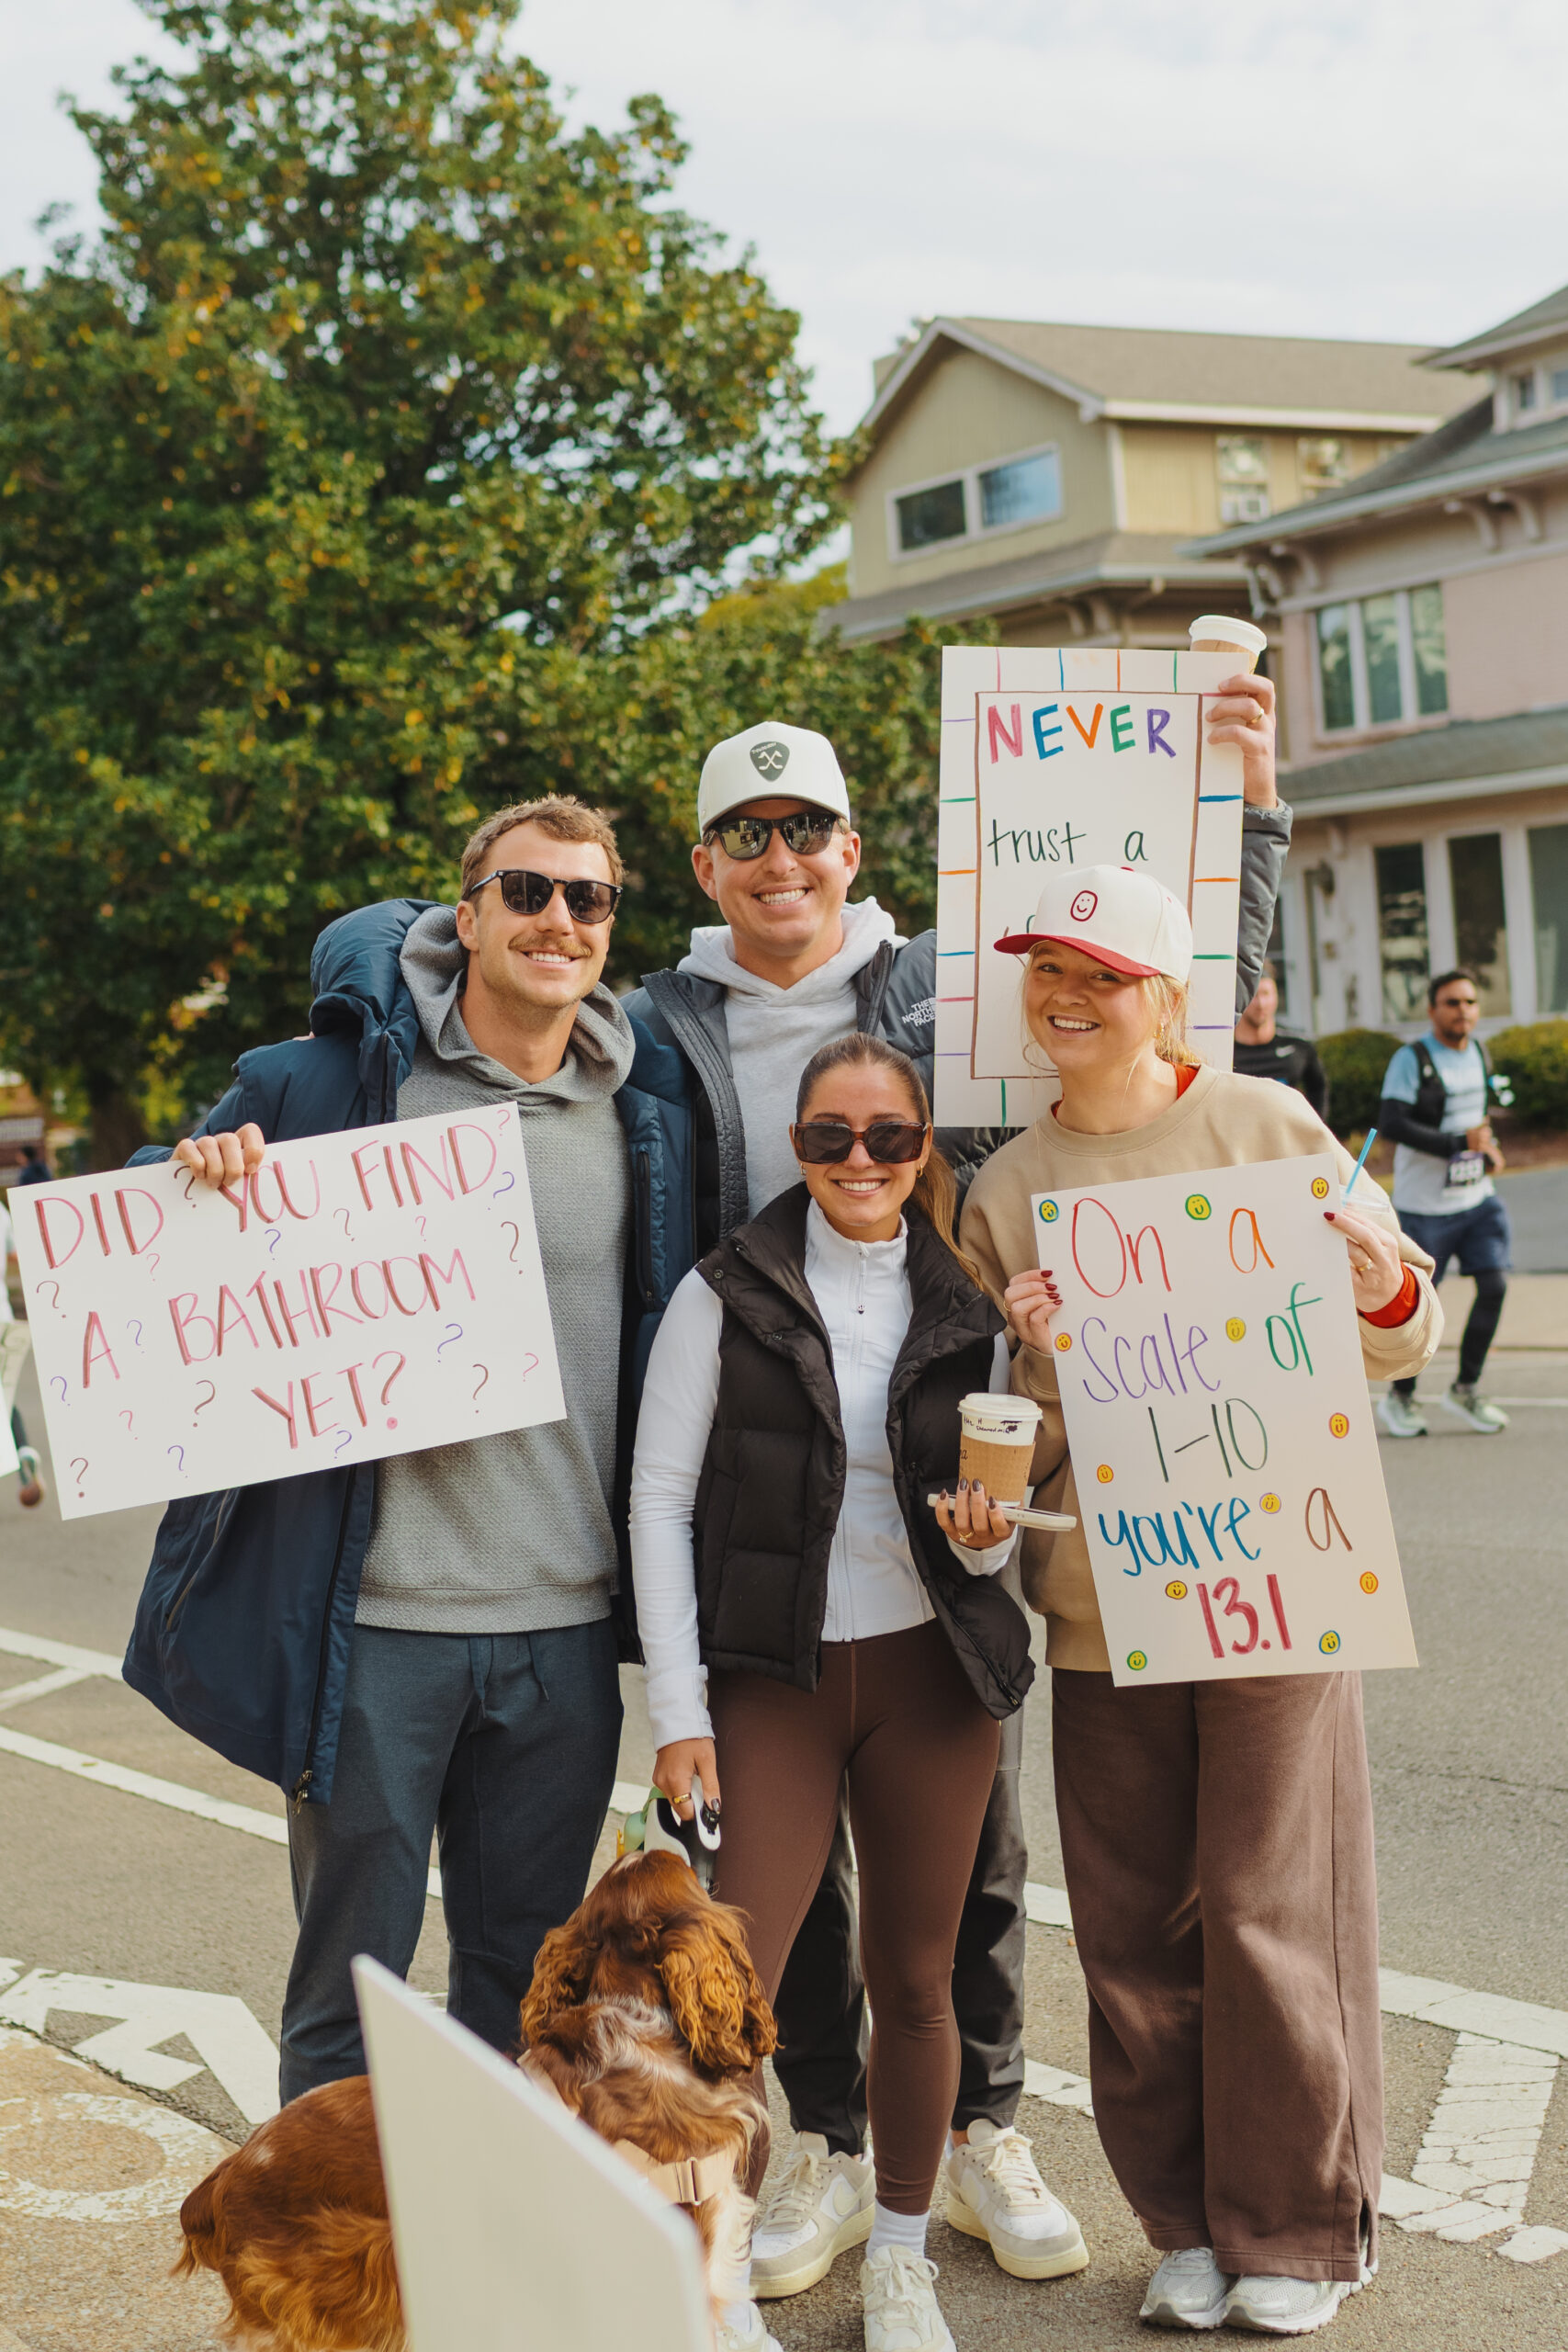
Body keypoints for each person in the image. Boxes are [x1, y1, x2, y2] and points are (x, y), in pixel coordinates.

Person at [625, 691, 1293, 2293]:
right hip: (759, 1473)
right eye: (744, 834)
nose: (778, 856)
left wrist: (1250, 809)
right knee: (782, 1895)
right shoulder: (650, 1023)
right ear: (705, 863)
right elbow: (477, 1009)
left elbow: (1167, 979)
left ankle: (977, 2126)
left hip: (944, 1421)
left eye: (804, 829)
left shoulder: (943, 985)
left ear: (850, 847)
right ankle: (831, 2144)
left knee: (963, 1863)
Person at [124, 797, 694, 2108]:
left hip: (560, 1630)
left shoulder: (644, 1113)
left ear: (610, 925)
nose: (558, 919)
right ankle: (329, 2238)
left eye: (588, 899)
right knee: (348, 1998)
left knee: (525, 2001)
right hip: (375, 1626)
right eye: (527, 891)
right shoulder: (327, 1082)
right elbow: (148, 1224)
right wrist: (197, 1165)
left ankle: (483, 2235)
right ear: (468, 915)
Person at [958, 863, 1441, 2336]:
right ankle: (1183, 2223)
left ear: (1164, 996)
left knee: (1266, 1905)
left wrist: (1376, 1280)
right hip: (1099, 1605)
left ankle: (1297, 2225)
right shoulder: (1006, 1189)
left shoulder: (1263, 1125)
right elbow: (1004, 1442)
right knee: (1128, 1927)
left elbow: (1399, 1333)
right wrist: (1029, 1360)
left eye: (1100, 974)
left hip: (1271, 1579)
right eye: (1047, 969)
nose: (1066, 996)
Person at [631, 1033, 1039, 2352]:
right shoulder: (724, 1293)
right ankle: (714, 2272)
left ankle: (901, 2262)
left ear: (921, 1149)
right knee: (729, 1993)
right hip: (775, 1681)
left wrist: (984, 1537)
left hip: (931, 1678)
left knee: (916, 1980)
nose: (859, 1160)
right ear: (797, 1147)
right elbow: (657, 1503)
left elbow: (991, 1537)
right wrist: (679, 1713)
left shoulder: (970, 1306)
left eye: (887, 1136)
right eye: (828, 1137)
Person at [1376, 969, 1511, 1438]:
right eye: (1452, 1003)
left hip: (1476, 1201)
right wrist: (1458, 1143)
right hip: (1423, 1208)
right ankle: (1400, 1397)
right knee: (1418, 1306)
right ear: (1433, 1010)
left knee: (1494, 1286)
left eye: (1470, 1002)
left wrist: (1487, 1150)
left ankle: (1465, 1388)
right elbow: (1392, 1123)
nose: (1463, 1011)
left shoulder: (1478, 1052)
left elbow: (1478, 1119)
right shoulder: (1411, 1059)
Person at [1232, 962, 1328, 1120]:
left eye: (1266, 993)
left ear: (1276, 995)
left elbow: (1318, 1087)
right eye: (1253, 995)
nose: (1261, 1004)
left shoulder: (1297, 1044)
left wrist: (1315, 1127)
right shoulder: (1225, 1050)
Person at [0, 1196, 47, 1506]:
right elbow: (17, 1255)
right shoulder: (1, 1212)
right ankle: (23, 1453)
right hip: (4, 1322)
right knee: (5, 1396)